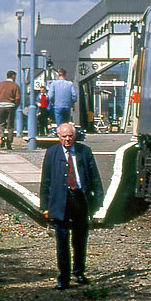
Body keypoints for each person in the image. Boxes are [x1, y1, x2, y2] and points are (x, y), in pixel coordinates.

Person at [40, 122, 103, 290]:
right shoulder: (52, 153)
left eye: (70, 136)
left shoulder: (85, 151)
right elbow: (45, 180)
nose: (67, 139)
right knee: (62, 241)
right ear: (58, 137)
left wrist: (98, 201)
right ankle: (64, 277)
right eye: (64, 136)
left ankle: (79, 272)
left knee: (80, 239)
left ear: (75, 136)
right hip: (60, 201)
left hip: (79, 199)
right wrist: (44, 206)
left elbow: (94, 176)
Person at [0, 70, 21, 149]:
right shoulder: (15, 85)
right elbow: (18, 98)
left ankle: (2, 136)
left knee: (1, 124)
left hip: (0, 106)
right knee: (10, 125)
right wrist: (15, 106)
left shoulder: (0, 84)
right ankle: (9, 141)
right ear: (13, 76)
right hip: (11, 106)